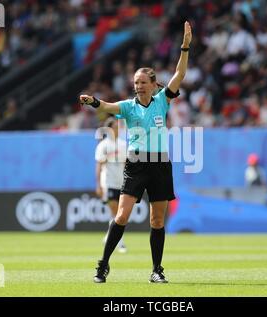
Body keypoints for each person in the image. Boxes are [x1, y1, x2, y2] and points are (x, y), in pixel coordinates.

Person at [80, 21, 192, 283]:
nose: (138, 86)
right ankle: (103, 265)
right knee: (121, 215)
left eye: (142, 82)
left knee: (156, 220)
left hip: (160, 163)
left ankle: (156, 270)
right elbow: (107, 106)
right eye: (135, 82)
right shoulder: (129, 107)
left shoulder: (164, 98)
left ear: (153, 84)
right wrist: (93, 101)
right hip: (136, 163)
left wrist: (185, 46)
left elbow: (180, 73)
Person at [95, 116, 127, 253]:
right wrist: (98, 185)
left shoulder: (123, 144)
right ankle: (120, 242)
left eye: (118, 127)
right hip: (108, 182)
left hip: (121, 183)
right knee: (115, 212)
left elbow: (127, 165)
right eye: (114, 127)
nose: (117, 129)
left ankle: (109, 235)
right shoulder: (103, 146)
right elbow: (99, 166)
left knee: (120, 213)